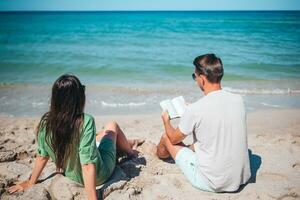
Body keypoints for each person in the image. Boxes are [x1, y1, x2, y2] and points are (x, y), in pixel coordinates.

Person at [8, 74, 143, 200]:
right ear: (78, 99)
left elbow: (42, 157)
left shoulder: (46, 122)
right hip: (100, 175)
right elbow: (88, 165)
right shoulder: (86, 121)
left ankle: (128, 143)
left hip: (71, 174)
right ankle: (130, 151)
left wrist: (30, 183)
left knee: (98, 136)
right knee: (112, 126)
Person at [157, 54, 251, 192]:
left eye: (195, 77)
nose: (195, 81)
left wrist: (166, 121)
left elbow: (173, 138)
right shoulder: (239, 100)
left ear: (202, 78)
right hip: (241, 177)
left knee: (166, 138)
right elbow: (217, 114)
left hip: (213, 182)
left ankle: (159, 154)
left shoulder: (196, 109)